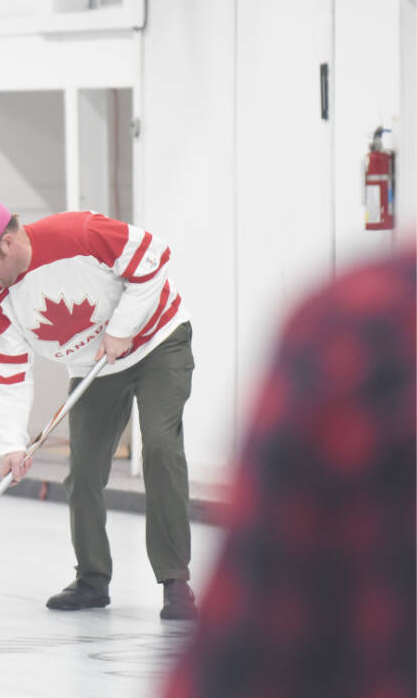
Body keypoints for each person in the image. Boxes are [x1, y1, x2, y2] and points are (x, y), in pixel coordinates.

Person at [163, 247, 415, 698]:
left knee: (160, 451)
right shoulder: (363, 324)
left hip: (150, 340)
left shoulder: (362, 321)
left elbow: (248, 646)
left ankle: (170, 581)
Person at [0, 199, 198, 620]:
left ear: (5, 244)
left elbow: (154, 256)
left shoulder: (79, 234)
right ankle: (92, 581)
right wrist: (9, 444)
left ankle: (175, 582)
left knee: (159, 448)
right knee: (83, 472)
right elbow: (6, 371)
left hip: (158, 343)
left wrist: (121, 330)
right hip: (95, 367)